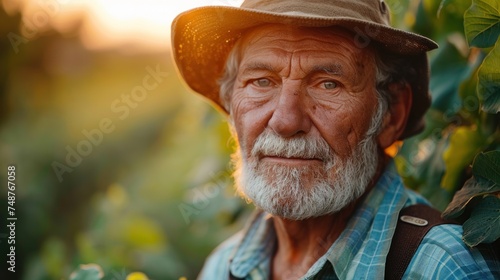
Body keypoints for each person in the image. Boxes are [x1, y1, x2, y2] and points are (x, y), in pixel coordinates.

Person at [171, 0, 500, 279]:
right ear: (231, 107)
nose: (286, 121)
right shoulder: (221, 267)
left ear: (391, 114)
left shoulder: (445, 268)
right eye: (261, 81)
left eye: (328, 84)